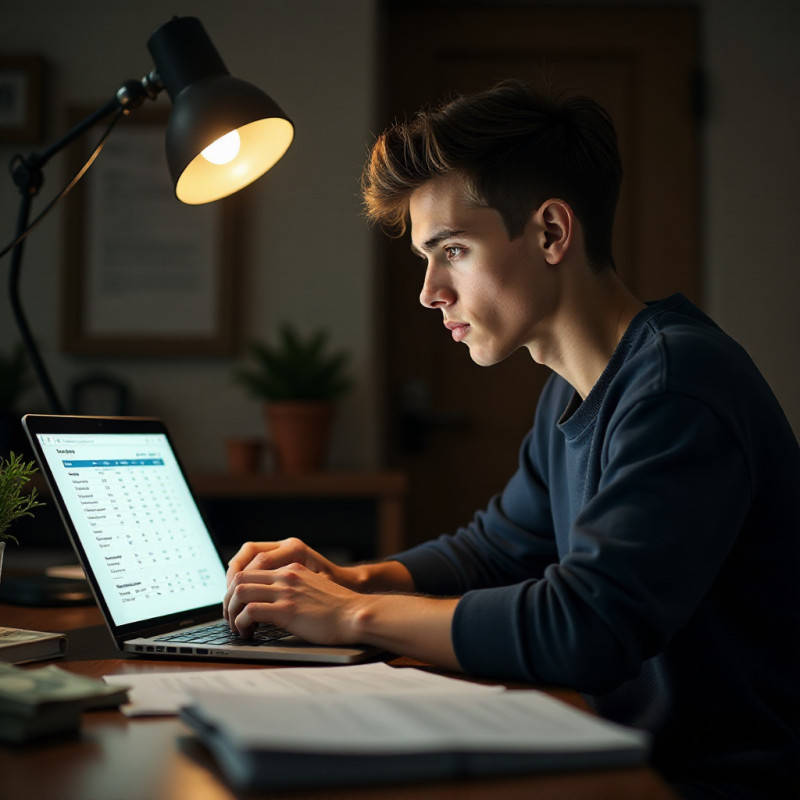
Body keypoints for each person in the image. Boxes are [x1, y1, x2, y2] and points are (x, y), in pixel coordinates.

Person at [223, 80, 800, 798]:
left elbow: (586, 626)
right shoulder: (574, 386)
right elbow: (494, 549)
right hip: (624, 757)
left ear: (552, 233)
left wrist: (350, 615)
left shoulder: (678, 386)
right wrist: (352, 578)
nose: (432, 290)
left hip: (711, 783)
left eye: (453, 250)